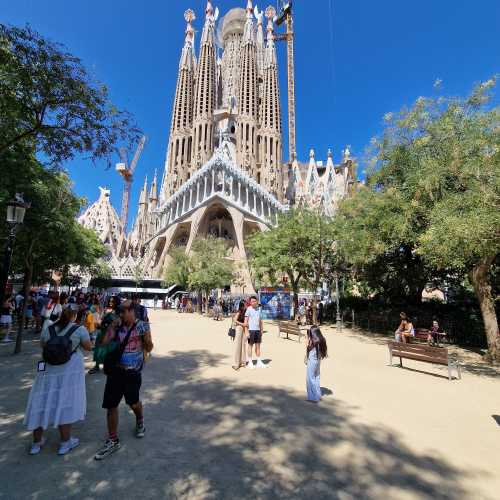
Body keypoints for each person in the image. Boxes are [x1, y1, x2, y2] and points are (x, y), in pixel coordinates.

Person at [23, 307, 92, 455]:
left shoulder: (49, 327)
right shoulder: (80, 329)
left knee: (41, 401)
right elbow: (88, 347)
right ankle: (65, 443)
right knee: (64, 402)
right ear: (74, 316)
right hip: (68, 373)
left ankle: (36, 443)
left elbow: (43, 345)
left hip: (47, 372)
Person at [94, 300, 153, 460]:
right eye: (119, 311)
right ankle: (112, 440)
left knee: (133, 402)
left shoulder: (143, 326)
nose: (120, 314)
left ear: (131, 311)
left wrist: (145, 338)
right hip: (115, 371)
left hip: (133, 372)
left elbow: (149, 348)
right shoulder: (117, 325)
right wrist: (110, 327)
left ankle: (140, 419)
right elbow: (102, 344)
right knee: (111, 405)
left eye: (123, 311)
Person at [305, 326, 328, 402]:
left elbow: (308, 348)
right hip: (318, 360)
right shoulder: (321, 340)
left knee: (310, 378)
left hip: (312, 360)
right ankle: (318, 394)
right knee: (317, 377)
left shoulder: (313, 341)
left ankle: (313, 397)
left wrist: (307, 341)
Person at [245, 296, 265, 369]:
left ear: (257, 301)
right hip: (251, 330)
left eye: (254, 301)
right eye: (252, 301)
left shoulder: (259, 309)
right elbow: (245, 321)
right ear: (250, 302)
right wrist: (246, 332)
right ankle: (250, 362)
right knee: (250, 345)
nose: (253, 302)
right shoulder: (248, 309)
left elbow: (260, 321)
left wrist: (261, 330)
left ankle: (259, 361)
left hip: (258, 330)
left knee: (258, 346)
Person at [232, 301, 247, 370]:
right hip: (239, 328)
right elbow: (234, 320)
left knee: (243, 345)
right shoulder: (239, 312)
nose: (245, 306)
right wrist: (242, 324)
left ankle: (243, 362)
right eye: (244, 305)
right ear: (241, 306)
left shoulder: (246, 312)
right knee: (238, 346)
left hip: (244, 329)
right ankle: (237, 364)